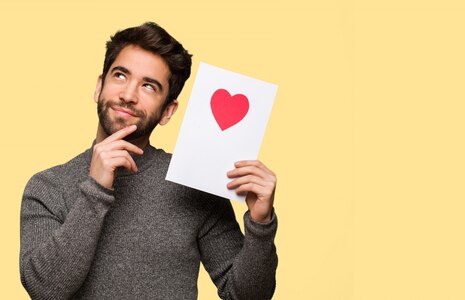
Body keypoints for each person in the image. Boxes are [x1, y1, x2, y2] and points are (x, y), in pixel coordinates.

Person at [19, 22, 278, 300]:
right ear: (99, 86)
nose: (128, 95)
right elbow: (45, 291)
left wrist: (260, 223)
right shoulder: (48, 187)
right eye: (120, 76)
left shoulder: (193, 182)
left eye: (148, 86)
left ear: (167, 111)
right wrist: (95, 190)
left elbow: (247, 296)